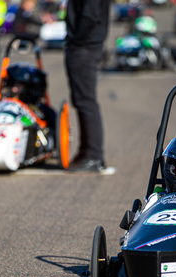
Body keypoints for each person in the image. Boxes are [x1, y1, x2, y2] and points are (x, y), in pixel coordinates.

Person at [64, 0, 109, 172]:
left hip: (84, 46)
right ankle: (87, 152)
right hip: (86, 45)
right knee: (81, 99)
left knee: (85, 100)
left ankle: (93, 155)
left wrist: (77, 41)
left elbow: (89, 15)